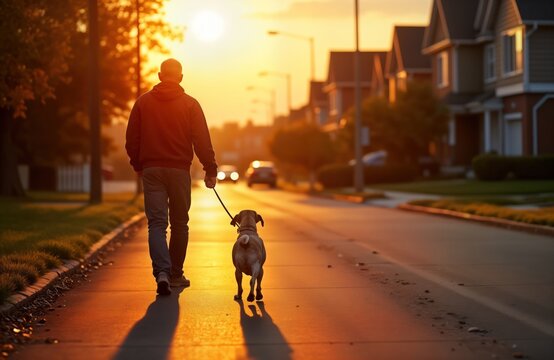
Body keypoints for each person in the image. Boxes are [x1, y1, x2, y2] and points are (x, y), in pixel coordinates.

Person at [126, 58, 217, 296]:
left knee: (157, 224)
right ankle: (176, 274)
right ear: (181, 77)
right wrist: (210, 168)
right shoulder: (190, 105)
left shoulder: (142, 103)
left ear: (159, 75)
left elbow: (131, 139)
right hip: (179, 171)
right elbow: (201, 140)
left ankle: (162, 273)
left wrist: (138, 164)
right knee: (179, 223)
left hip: (152, 170)